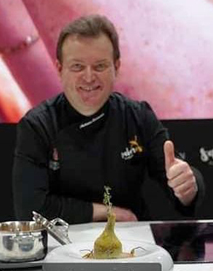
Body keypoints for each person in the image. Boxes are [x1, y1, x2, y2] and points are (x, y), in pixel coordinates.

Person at [12, 15, 205, 224]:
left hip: (130, 245)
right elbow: (29, 209)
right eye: (77, 66)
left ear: (117, 67)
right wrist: (110, 213)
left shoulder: (137, 116)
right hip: (62, 246)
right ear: (59, 69)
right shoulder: (38, 126)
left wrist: (188, 186)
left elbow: (180, 186)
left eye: (100, 66)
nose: (88, 77)